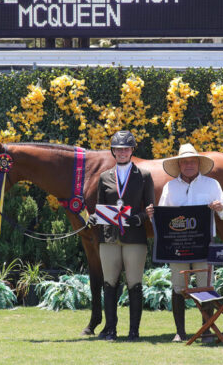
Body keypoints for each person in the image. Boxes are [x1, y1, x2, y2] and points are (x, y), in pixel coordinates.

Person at [159, 143, 223, 342]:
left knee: (205, 286)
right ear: (179, 165)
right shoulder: (170, 186)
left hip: (204, 245)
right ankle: (180, 332)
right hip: (178, 246)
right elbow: (161, 217)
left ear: (198, 163)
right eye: (184, 162)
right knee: (178, 287)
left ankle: (206, 330)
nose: (188, 165)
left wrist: (219, 207)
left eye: (192, 161)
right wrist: (152, 215)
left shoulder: (212, 184)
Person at [90, 130, 155, 341]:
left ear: (132, 151)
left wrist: (139, 218)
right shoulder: (104, 177)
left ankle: (134, 330)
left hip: (134, 237)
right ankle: (110, 329)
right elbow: (101, 207)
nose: (122, 152)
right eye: (118, 149)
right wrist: (94, 218)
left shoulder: (144, 176)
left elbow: (150, 208)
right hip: (109, 238)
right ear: (114, 151)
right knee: (109, 283)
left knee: (134, 283)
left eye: (126, 149)